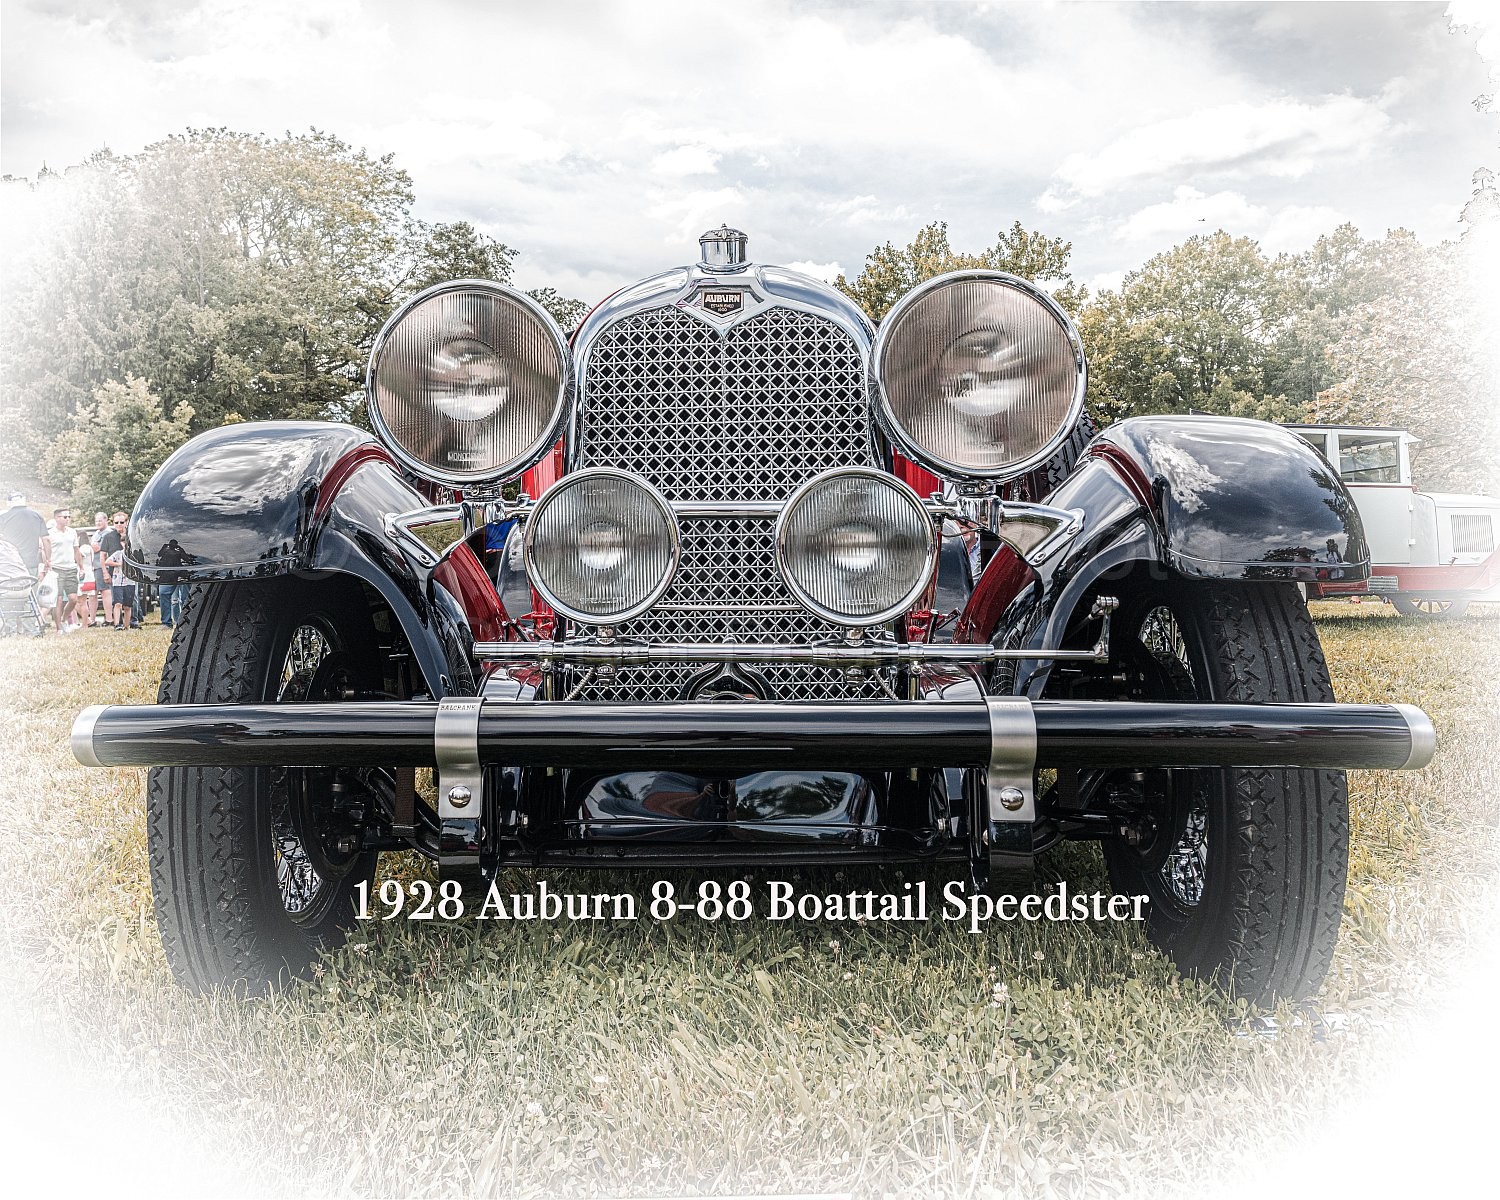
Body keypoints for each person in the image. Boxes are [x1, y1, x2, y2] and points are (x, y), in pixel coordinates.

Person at [0, 491, 50, 623]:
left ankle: (10, 626)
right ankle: (30, 627)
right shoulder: (36, 516)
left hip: (9, 566)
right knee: (30, 595)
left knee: (8, 596)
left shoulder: (4, 517)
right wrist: (48, 560)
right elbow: (46, 540)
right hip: (31, 563)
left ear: (9, 502)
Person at [45, 507, 86, 632]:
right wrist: (48, 563)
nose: (67, 519)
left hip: (70, 568)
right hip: (56, 568)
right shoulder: (50, 533)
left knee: (73, 598)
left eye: (69, 516)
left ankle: (63, 619)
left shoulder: (72, 532)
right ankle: (59, 628)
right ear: (57, 518)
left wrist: (81, 567)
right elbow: (44, 550)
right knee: (58, 599)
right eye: (64, 517)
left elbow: (76, 550)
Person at [99, 511, 135, 630]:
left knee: (131, 600)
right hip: (115, 574)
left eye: (121, 522)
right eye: (116, 522)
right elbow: (102, 556)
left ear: (127, 522)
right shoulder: (108, 537)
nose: (119, 524)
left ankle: (132, 622)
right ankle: (117, 623)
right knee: (117, 600)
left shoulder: (132, 536)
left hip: (130, 575)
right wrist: (104, 572)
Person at [154, 538, 192, 628]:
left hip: (182, 572)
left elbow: (187, 559)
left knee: (185, 598)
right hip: (168, 573)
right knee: (165, 594)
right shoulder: (165, 547)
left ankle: (186, 622)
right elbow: (159, 555)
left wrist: (181, 550)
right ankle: (167, 622)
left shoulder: (180, 548)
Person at [88, 511, 111, 625]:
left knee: (105, 592)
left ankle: (109, 619)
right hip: (93, 567)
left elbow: (98, 548)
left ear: (106, 520)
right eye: (96, 521)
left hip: (102, 567)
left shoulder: (109, 533)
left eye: (100, 520)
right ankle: (91, 619)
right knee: (92, 594)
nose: (98, 523)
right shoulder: (96, 533)